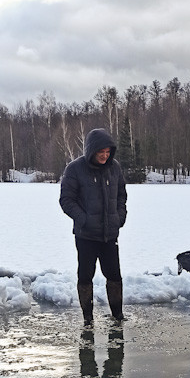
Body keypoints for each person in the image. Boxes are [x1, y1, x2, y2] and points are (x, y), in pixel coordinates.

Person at [59, 128, 127, 325]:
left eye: (108, 152)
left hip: (109, 234)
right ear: (91, 151)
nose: (105, 156)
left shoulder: (114, 168)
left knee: (114, 275)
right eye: (101, 152)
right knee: (86, 275)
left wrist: (119, 217)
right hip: (86, 236)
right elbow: (66, 200)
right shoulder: (75, 169)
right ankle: (88, 319)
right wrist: (83, 219)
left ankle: (117, 316)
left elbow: (121, 195)